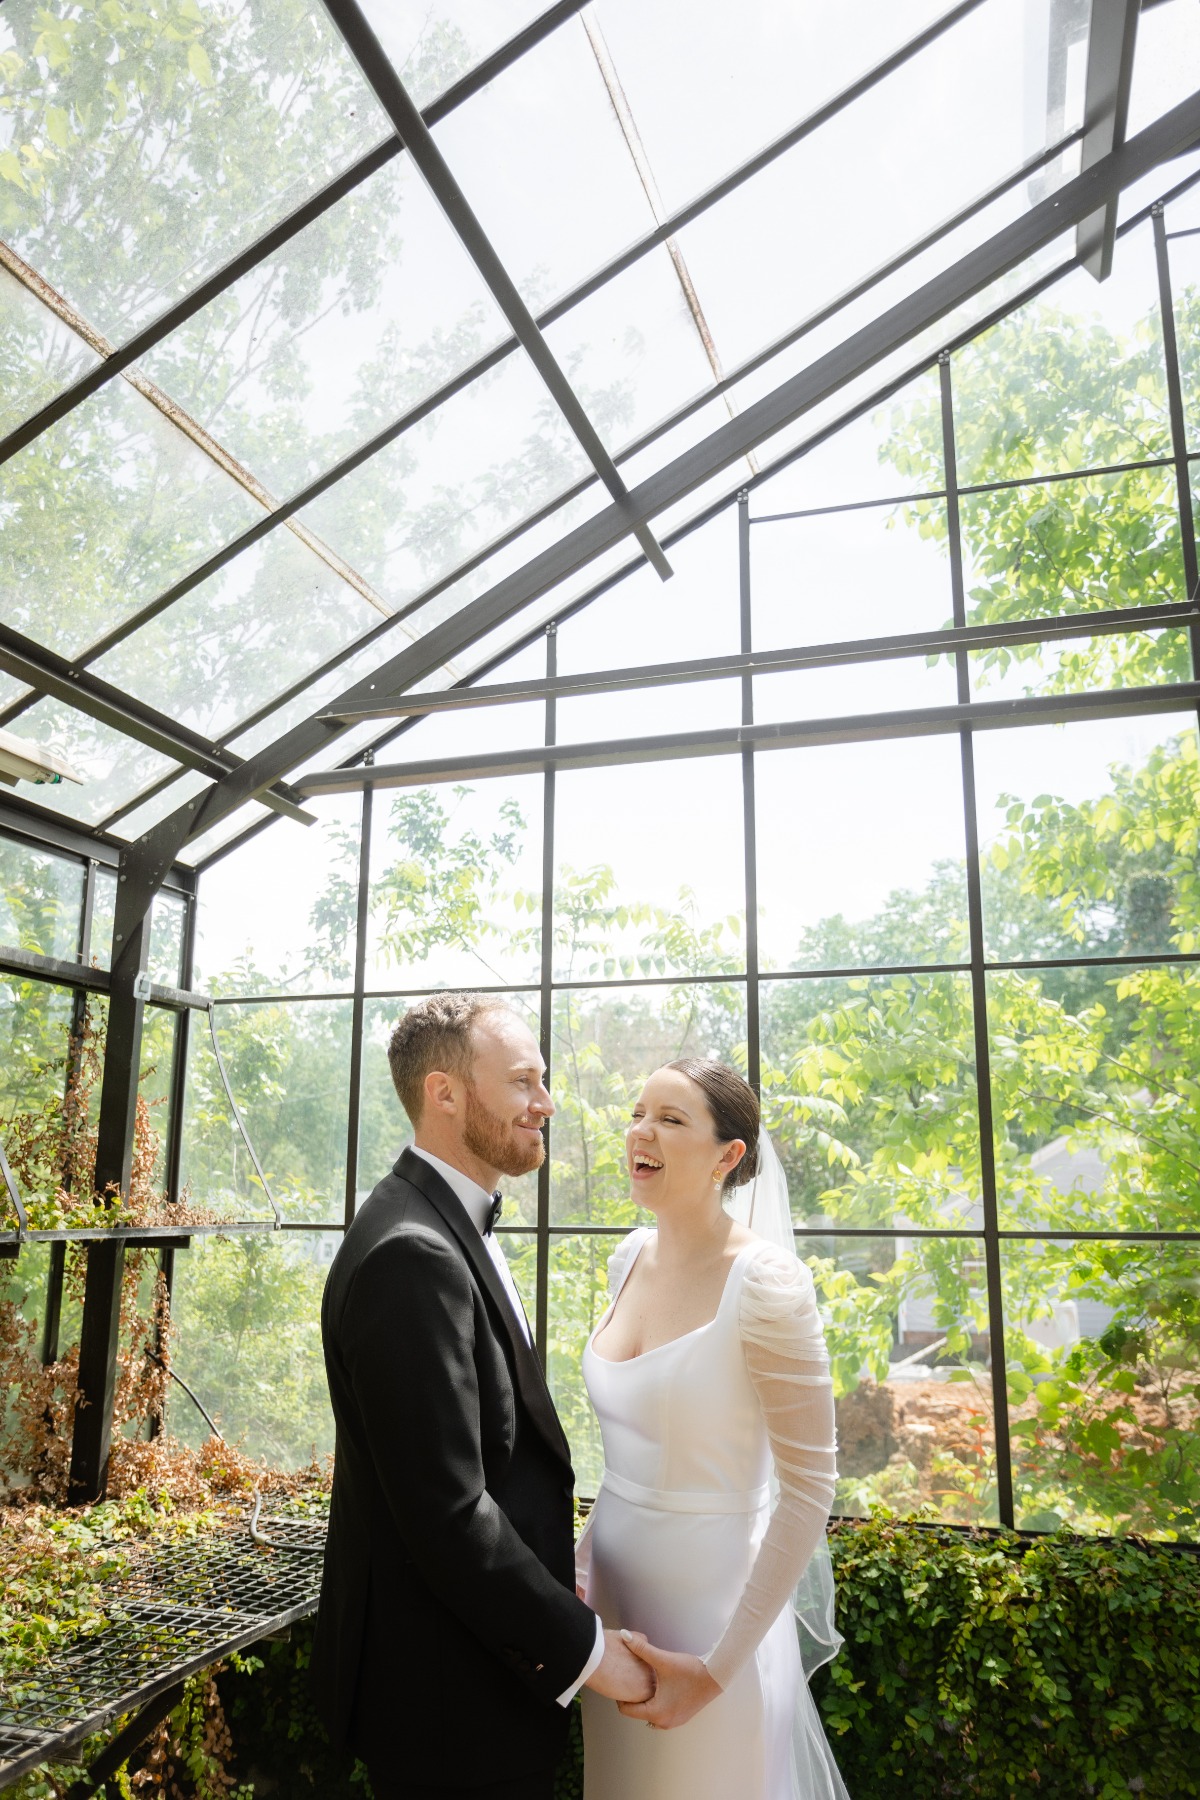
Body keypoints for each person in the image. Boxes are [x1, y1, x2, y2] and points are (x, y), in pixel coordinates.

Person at [311, 993, 653, 1800]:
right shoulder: (411, 1254)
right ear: (446, 1095)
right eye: (525, 1081)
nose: (547, 1103)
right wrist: (596, 1655)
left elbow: (498, 1458)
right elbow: (448, 1515)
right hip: (448, 1699)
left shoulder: (444, 1224)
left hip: (480, 1670)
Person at [576, 1059, 850, 1800]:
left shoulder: (766, 1284)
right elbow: (630, 1454)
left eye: (671, 1118)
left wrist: (717, 1670)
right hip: (611, 1616)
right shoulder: (627, 1257)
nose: (641, 1129)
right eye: (638, 1112)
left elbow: (809, 1487)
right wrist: (577, 1568)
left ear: (730, 1156)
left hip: (711, 1629)